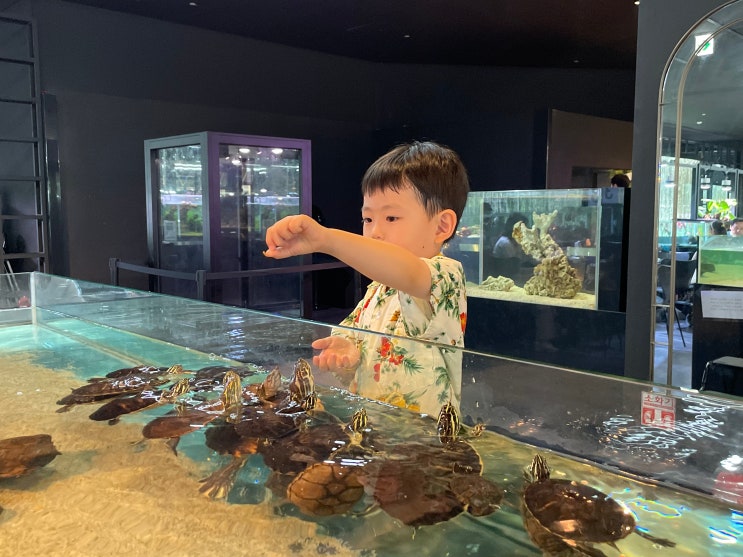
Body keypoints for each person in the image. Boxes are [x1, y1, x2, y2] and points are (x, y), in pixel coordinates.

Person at [264, 141, 470, 415]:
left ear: (442, 226)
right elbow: (354, 338)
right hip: (371, 424)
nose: (375, 232)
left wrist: (326, 239)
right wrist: (346, 352)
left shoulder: (447, 275)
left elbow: (408, 271)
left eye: (392, 218)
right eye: (368, 219)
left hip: (424, 434)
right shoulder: (379, 288)